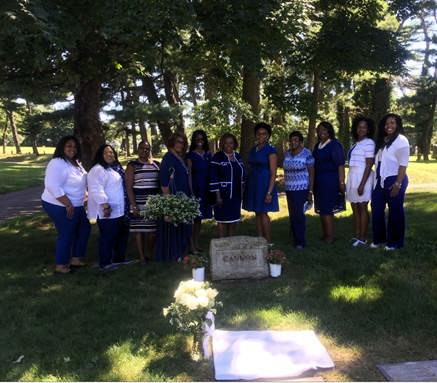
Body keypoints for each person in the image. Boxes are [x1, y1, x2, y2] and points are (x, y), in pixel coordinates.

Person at [42, 136, 90, 274]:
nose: (72, 149)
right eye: (69, 146)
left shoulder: (75, 162)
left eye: (75, 146)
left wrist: (85, 193)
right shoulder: (57, 162)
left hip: (77, 203)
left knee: (84, 229)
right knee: (67, 232)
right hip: (59, 204)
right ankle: (61, 265)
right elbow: (52, 185)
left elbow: (79, 181)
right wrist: (68, 204)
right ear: (62, 147)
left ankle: (76, 259)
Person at [88, 144, 131, 270]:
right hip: (108, 210)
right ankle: (105, 263)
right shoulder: (98, 169)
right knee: (108, 237)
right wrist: (105, 206)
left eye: (112, 152)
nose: (110, 154)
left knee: (121, 236)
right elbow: (96, 189)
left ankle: (119, 258)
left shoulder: (112, 168)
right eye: (106, 152)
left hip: (120, 210)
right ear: (100, 155)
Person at [371, 113, 409, 250]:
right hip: (380, 179)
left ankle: (395, 243)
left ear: (397, 124)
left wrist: (398, 184)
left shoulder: (401, 140)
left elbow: (403, 165)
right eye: (387, 123)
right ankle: (379, 239)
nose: (389, 126)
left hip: (395, 178)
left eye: (392, 123)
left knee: (395, 212)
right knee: (376, 210)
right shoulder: (382, 140)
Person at [155, 132, 192, 261]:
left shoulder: (178, 157)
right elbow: (164, 184)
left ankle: (181, 254)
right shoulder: (168, 158)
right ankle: (172, 255)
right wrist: (169, 206)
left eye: (182, 142)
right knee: (173, 229)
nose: (180, 145)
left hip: (182, 199)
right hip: (173, 199)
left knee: (182, 228)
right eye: (178, 142)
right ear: (172, 142)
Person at [243, 122, 279, 243]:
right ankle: (260, 239)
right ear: (256, 135)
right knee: (257, 212)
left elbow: (273, 173)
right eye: (259, 134)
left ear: (268, 135)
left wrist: (269, 192)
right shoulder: (253, 150)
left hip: (265, 184)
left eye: (264, 134)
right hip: (254, 183)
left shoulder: (271, 150)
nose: (261, 136)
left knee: (263, 212)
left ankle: (268, 241)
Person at [126, 140, 160, 263]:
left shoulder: (156, 164)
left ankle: (149, 253)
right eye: (142, 148)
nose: (144, 151)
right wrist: (134, 205)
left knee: (152, 232)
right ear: (138, 149)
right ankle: (141, 257)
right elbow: (129, 187)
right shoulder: (132, 165)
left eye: (147, 149)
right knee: (139, 230)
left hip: (153, 203)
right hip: (138, 202)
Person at [312, 121, 346, 244]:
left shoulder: (334, 145)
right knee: (321, 208)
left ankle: (330, 236)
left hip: (330, 180)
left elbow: (340, 165)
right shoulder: (317, 146)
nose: (322, 132)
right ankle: (325, 234)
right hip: (318, 181)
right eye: (319, 130)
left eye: (324, 130)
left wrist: (342, 182)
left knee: (327, 209)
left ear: (329, 131)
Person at [346, 116, 376, 247]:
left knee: (362, 207)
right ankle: (357, 235)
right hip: (353, 176)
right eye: (359, 126)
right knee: (355, 208)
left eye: (364, 127)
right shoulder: (356, 143)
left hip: (363, 177)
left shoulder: (369, 142)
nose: (361, 129)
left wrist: (362, 184)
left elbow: (369, 164)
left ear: (368, 129)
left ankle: (363, 238)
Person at [282, 131, 314, 249]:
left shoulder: (307, 153)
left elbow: (311, 173)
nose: (293, 142)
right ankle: (295, 237)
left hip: (301, 188)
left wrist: (310, 192)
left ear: (301, 142)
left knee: (299, 215)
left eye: (296, 140)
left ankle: (300, 242)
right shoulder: (287, 154)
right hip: (289, 188)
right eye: (291, 140)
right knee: (292, 214)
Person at [209, 133, 244, 237]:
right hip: (222, 195)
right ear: (222, 144)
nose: (228, 145)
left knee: (233, 220)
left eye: (231, 143)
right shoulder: (217, 157)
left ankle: (230, 243)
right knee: (222, 220)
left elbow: (242, 175)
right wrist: (217, 196)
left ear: (234, 144)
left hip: (236, 195)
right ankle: (221, 244)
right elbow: (213, 177)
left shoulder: (238, 156)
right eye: (226, 143)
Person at [186, 130, 213, 252]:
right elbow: (189, 175)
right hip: (196, 189)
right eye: (197, 139)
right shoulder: (190, 155)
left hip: (206, 189)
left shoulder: (208, 154)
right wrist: (191, 191)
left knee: (199, 219)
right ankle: (191, 245)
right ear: (194, 141)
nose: (200, 141)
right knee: (193, 219)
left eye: (202, 139)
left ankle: (196, 243)